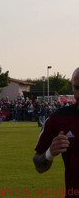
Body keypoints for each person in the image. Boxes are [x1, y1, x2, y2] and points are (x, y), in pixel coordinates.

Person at [33, 67, 79, 197]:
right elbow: (39, 166)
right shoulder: (57, 120)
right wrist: (50, 153)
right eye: (77, 88)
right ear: (72, 85)